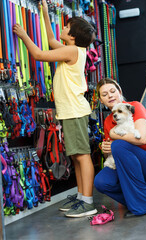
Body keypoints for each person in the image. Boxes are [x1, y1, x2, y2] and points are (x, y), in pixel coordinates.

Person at [13, 0, 97, 218]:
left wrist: (24, 36)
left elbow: (40, 55)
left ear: (72, 36)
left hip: (74, 111)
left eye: (67, 26)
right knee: (78, 156)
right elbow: (51, 40)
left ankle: (88, 201)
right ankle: (81, 197)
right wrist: (43, 12)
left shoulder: (72, 51)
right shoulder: (74, 49)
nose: (64, 26)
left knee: (82, 156)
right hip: (71, 110)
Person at [94, 78, 146, 217]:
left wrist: (113, 136)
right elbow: (114, 155)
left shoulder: (135, 106)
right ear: (101, 101)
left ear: (120, 92)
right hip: (128, 164)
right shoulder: (107, 121)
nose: (110, 96)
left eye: (112, 91)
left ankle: (144, 205)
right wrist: (106, 150)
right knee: (101, 182)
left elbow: (143, 138)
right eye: (104, 95)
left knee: (118, 144)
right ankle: (137, 200)